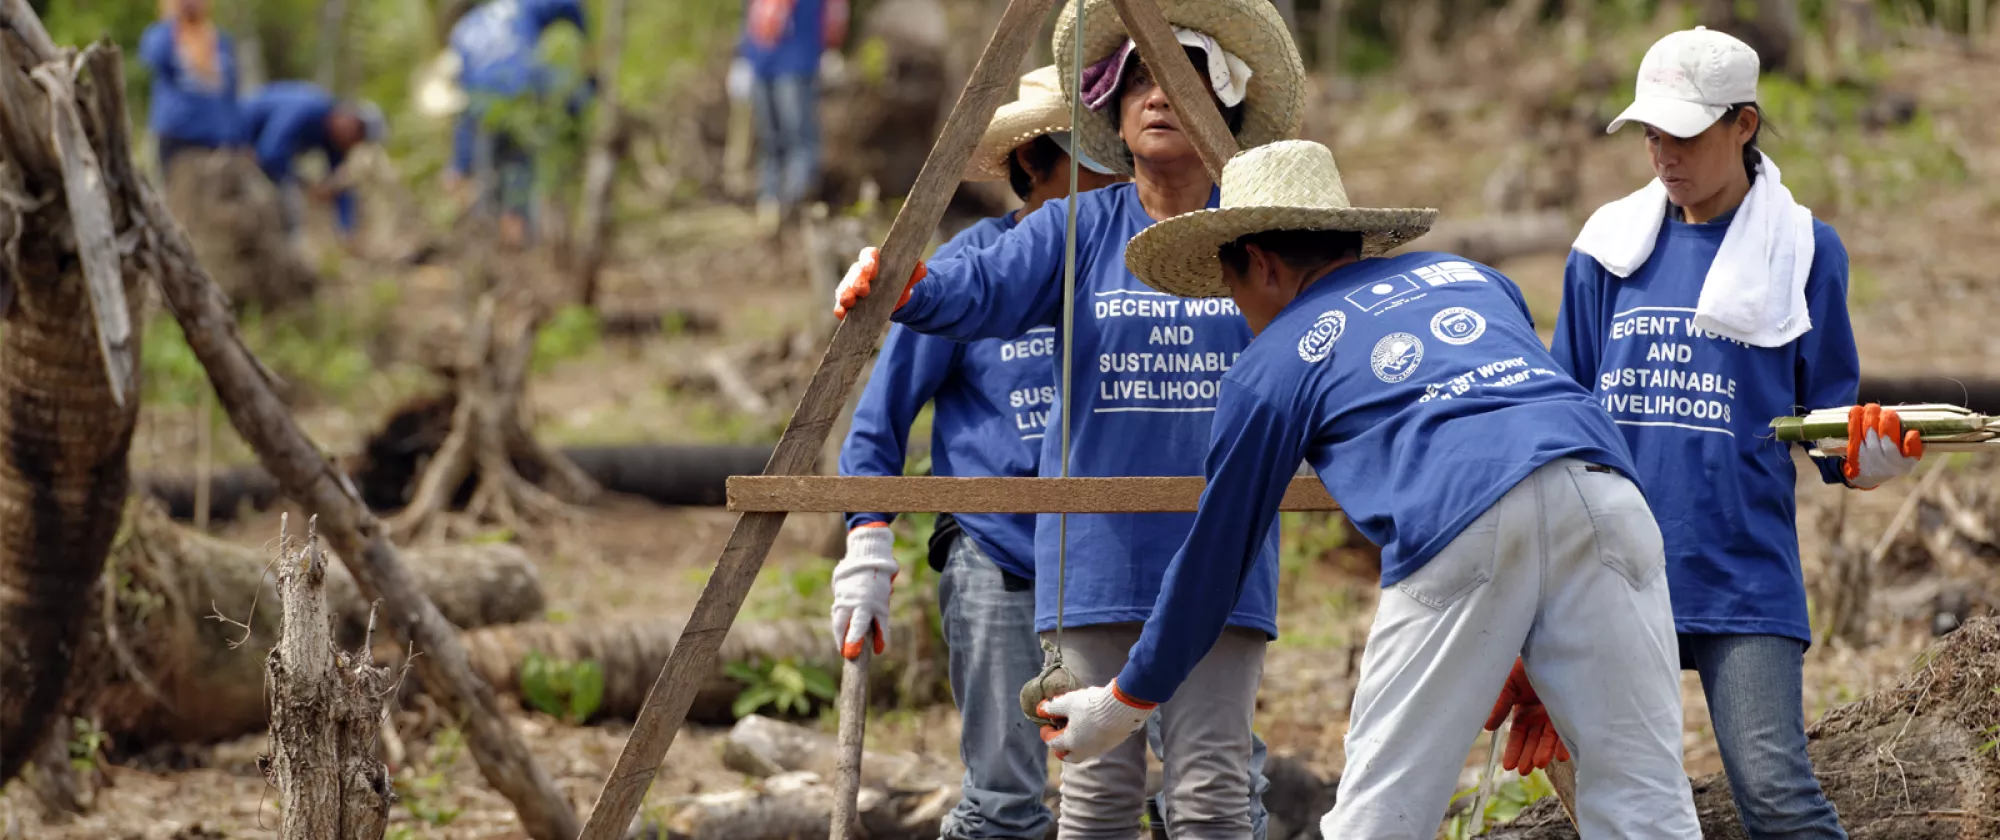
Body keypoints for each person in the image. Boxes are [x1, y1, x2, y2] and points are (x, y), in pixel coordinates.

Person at [1029, 138, 1702, 839]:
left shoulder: (1271, 365)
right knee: (1645, 807)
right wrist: (1541, 633)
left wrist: (1124, 702)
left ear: (1257, 262)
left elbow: (1215, 561)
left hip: (1458, 514)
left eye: (1229, 288)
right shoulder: (1468, 277)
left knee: (1376, 821)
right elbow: (1530, 448)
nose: (1239, 313)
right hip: (1609, 495)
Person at [830, 1, 1303, 835]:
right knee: (1097, 798)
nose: (1159, 96)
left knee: (1213, 797)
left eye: (1185, 78)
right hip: (1091, 563)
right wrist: (905, 282)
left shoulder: (1262, 237)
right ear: (1113, 119)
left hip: (1223, 556)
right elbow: (978, 289)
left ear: (1223, 106)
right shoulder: (1075, 229)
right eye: (1138, 82)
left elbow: (1327, 352)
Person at [1533, 27, 1923, 840]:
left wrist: (1871, 455)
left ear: (1744, 124)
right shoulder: (1605, 249)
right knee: (1624, 804)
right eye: (1650, 134)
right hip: (1612, 571)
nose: (1664, 154)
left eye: (1684, 134)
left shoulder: (1805, 250)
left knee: (1776, 795)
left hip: (1739, 573)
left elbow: (1829, 430)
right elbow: (1560, 417)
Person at [831, 65, 1121, 840]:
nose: (1117, 172)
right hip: (999, 553)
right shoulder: (976, 267)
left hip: (1118, 559)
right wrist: (867, 538)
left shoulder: (1137, 266)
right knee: (1002, 795)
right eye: (1091, 153)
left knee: (1143, 784)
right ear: (1035, 162)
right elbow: (879, 418)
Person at [445, 0, 591, 247]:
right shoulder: (516, 6)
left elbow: (465, 108)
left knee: (489, 183)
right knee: (521, 178)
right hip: (527, 97)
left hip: (486, 111)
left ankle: (498, 248)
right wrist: (584, 37)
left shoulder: (460, 33)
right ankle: (521, 241)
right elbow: (569, 4)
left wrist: (458, 165)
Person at [234, 81, 387, 248]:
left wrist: (347, 230)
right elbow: (270, 153)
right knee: (285, 207)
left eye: (356, 140)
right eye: (355, 129)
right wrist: (306, 184)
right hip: (236, 138)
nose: (349, 139)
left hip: (257, 154)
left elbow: (339, 188)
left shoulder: (334, 140)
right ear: (346, 112)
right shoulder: (308, 108)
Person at [736, 0, 848, 228]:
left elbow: (834, 13)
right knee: (769, 138)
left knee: (798, 137)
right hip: (762, 63)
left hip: (797, 64)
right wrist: (742, 57)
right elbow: (751, 15)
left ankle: (795, 206)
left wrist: (831, 48)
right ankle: (769, 202)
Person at [140, 0, 240, 175]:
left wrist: (235, 136)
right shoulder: (163, 35)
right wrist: (171, 20)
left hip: (217, 141)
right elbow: (154, 56)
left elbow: (230, 94)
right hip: (178, 139)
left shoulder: (221, 40)